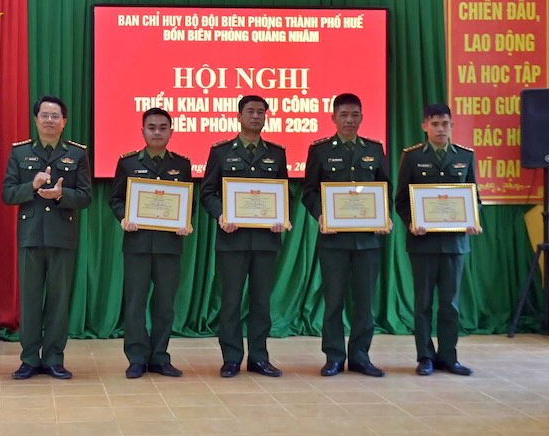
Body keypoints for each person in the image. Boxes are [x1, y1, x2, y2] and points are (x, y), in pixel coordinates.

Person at [301, 93, 391, 378]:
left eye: (354, 115)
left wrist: (384, 216)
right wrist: (321, 215)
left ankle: (361, 356)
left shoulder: (374, 149)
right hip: (334, 240)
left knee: (364, 303)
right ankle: (334, 357)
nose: (349, 120)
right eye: (344, 115)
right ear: (333, 118)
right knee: (334, 301)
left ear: (362, 117)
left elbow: (385, 189)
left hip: (368, 240)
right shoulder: (320, 151)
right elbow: (309, 192)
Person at [3, 95, 91, 380]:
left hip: (62, 236)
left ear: (64, 121)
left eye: (55, 116)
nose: (49, 120)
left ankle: (54, 358)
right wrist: (32, 185)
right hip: (30, 236)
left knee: (58, 301)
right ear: (36, 119)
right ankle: (29, 359)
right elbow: (8, 194)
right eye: (44, 115)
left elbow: (86, 196)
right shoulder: (20, 153)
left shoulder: (77, 154)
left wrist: (61, 195)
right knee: (29, 301)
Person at [200, 94, 288, 378]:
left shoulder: (277, 154)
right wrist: (221, 215)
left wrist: (280, 216)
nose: (255, 116)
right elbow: (207, 193)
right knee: (230, 301)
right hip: (232, 239)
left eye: (261, 112)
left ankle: (259, 357)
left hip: (265, 240)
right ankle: (231, 358)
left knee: (261, 302)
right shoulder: (221, 152)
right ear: (238, 116)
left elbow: (283, 193)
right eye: (250, 111)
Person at [395, 103, 481, 377]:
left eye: (445, 124)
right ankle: (425, 357)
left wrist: (472, 219)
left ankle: (448, 357)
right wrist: (411, 222)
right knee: (422, 303)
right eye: (434, 124)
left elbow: (474, 197)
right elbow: (401, 200)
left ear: (452, 125)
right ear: (425, 126)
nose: (440, 129)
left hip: (455, 244)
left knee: (450, 304)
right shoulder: (411, 157)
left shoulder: (465, 156)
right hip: (423, 243)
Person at [109, 107, 193, 379]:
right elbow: (116, 199)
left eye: (162, 128)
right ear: (143, 131)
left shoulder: (182, 165)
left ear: (171, 131)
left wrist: (185, 220)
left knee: (165, 305)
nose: (157, 132)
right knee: (135, 303)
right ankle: (136, 358)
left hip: (169, 245)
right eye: (152, 128)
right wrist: (124, 218)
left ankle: (159, 357)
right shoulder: (128, 163)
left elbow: (187, 201)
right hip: (138, 244)